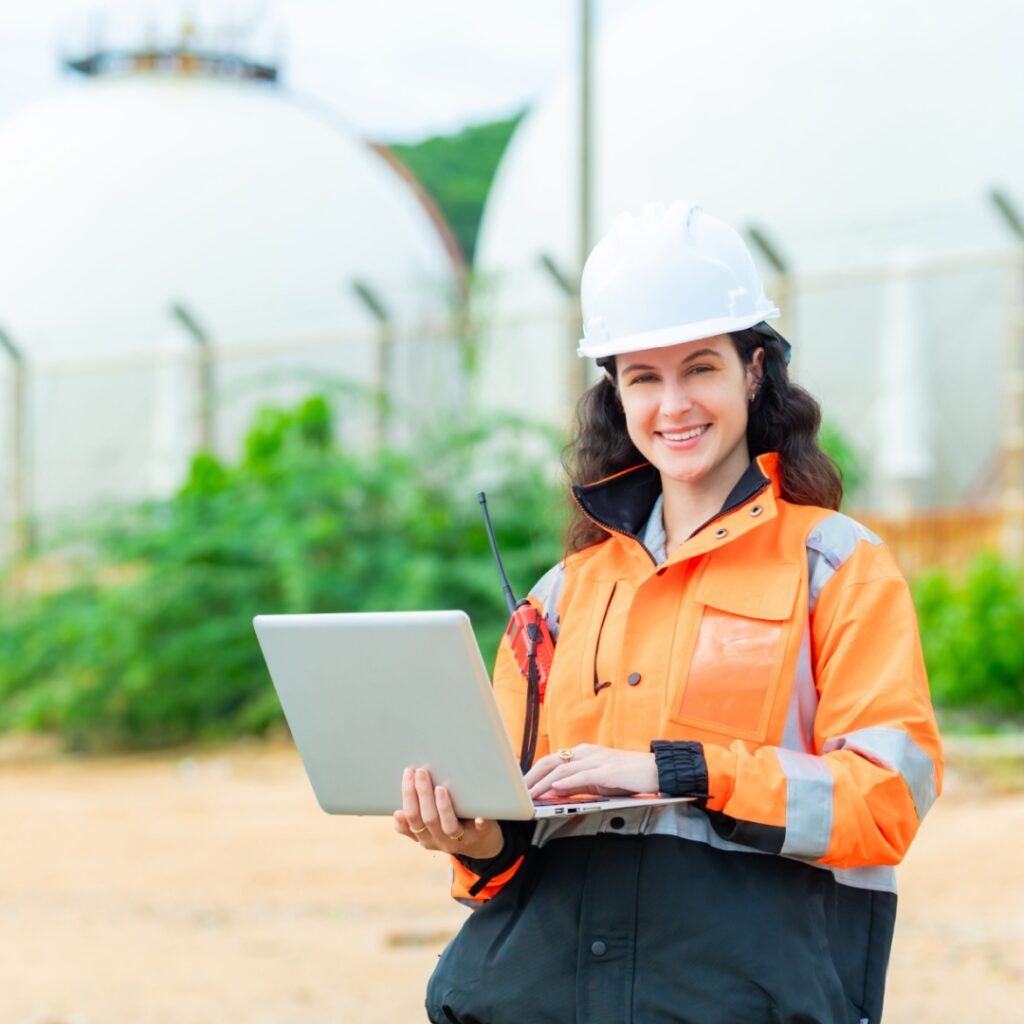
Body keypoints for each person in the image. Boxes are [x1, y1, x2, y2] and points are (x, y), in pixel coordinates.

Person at [394, 201, 943, 1024]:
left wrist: (679, 770)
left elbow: (887, 798)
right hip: (541, 997)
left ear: (754, 370)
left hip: (743, 999)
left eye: (700, 368)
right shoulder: (561, 593)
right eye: (643, 378)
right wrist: (470, 837)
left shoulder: (836, 565)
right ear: (615, 393)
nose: (674, 405)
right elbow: (507, 848)